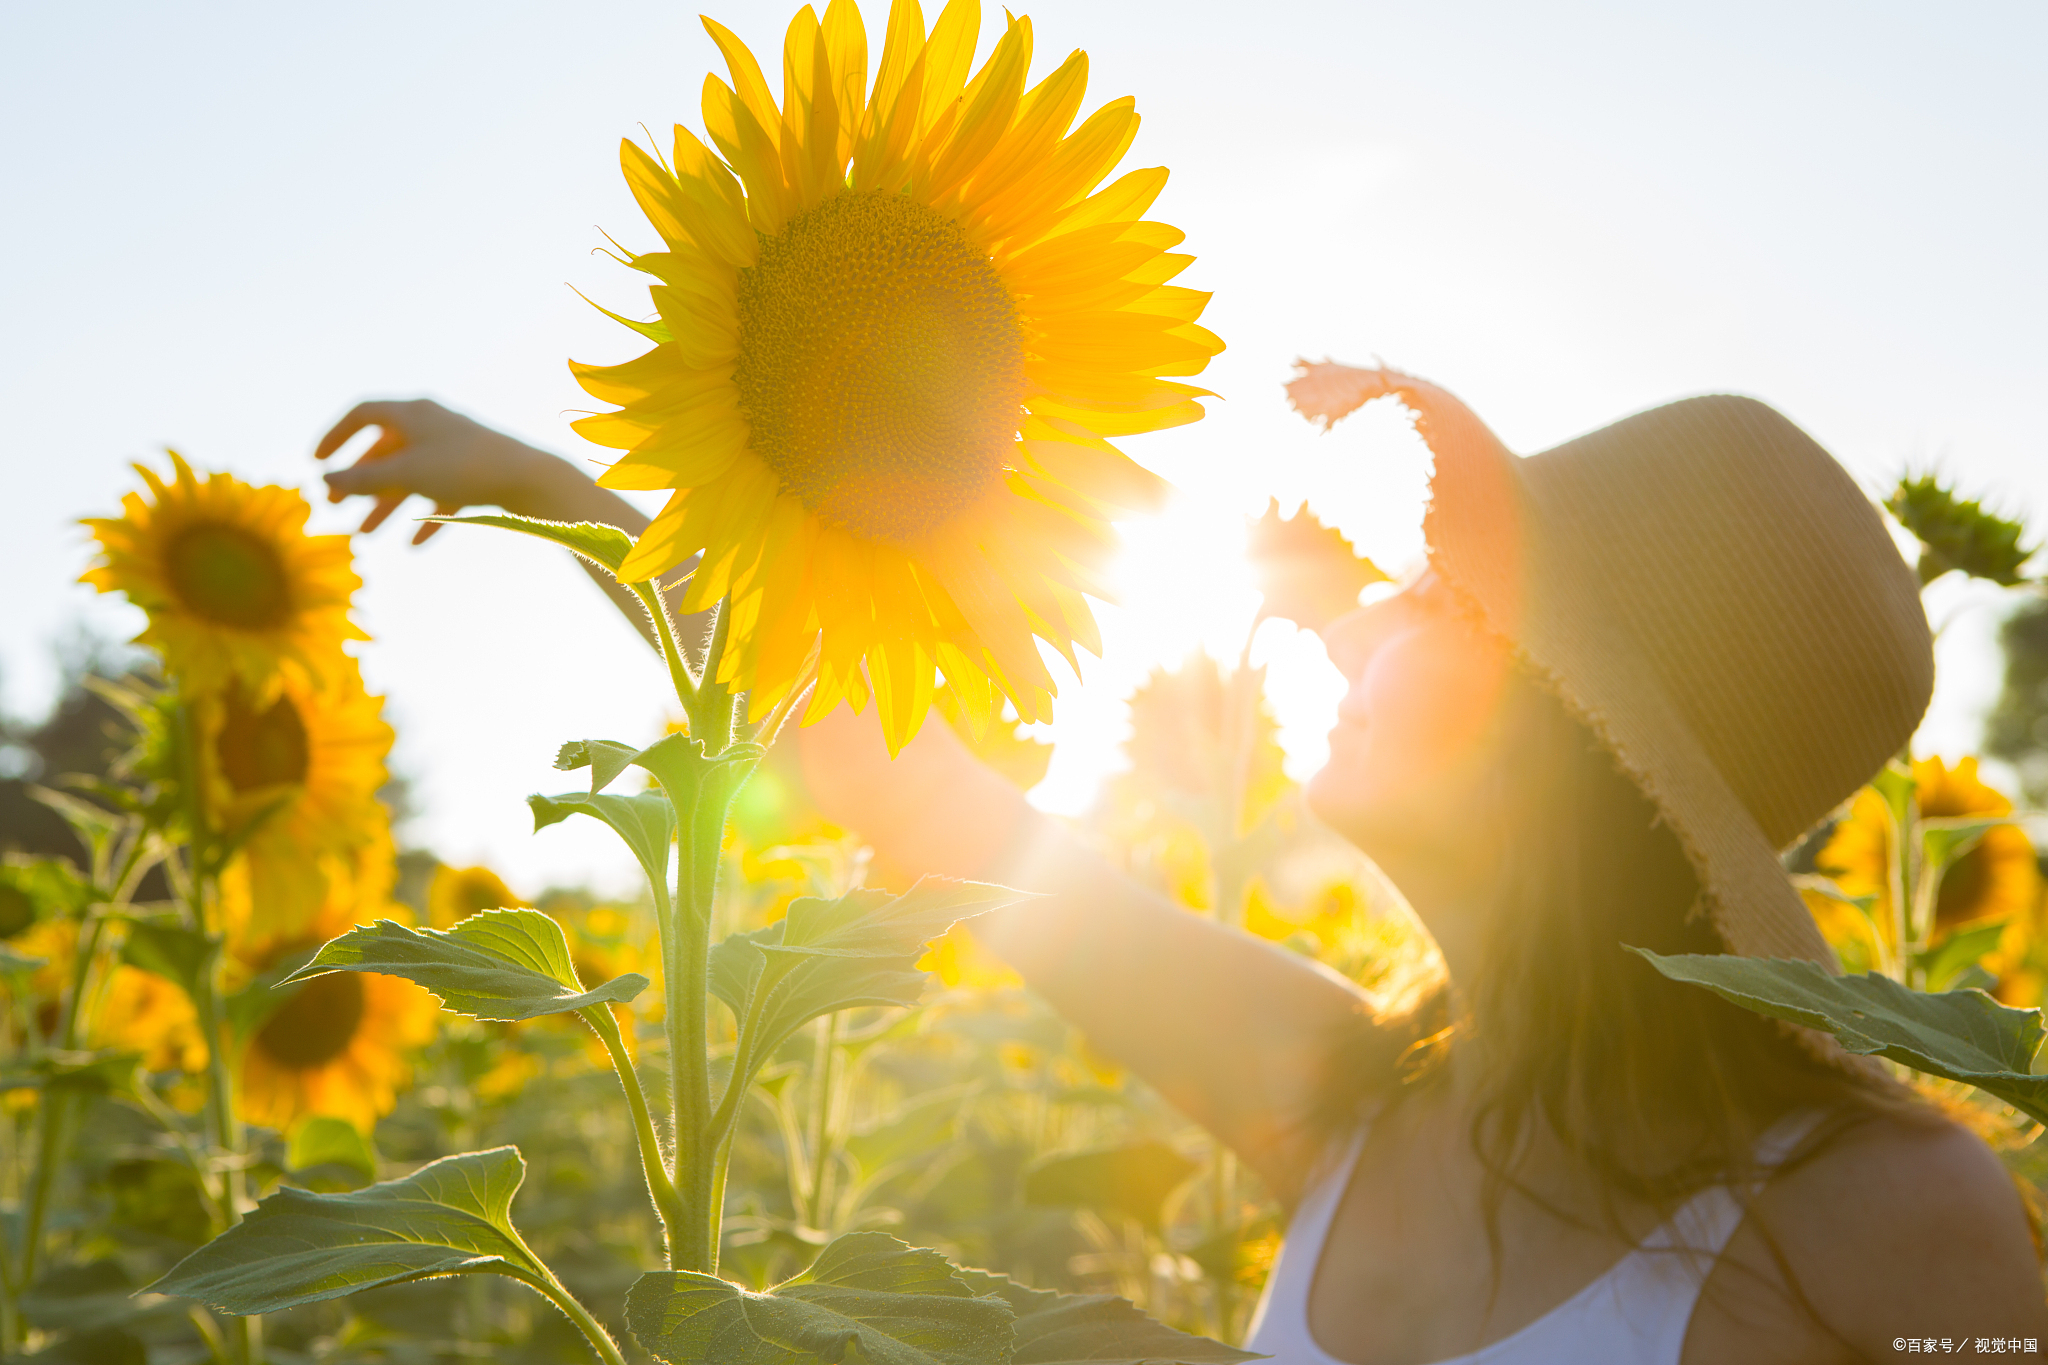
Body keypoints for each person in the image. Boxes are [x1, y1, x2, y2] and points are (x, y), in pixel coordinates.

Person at [318, 377, 2048, 1362]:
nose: (1364, 609)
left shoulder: (1886, 1216)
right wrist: (582, 508)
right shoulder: (1351, 1084)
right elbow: (934, 809)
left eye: (1446, 605)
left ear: (1586, 738)